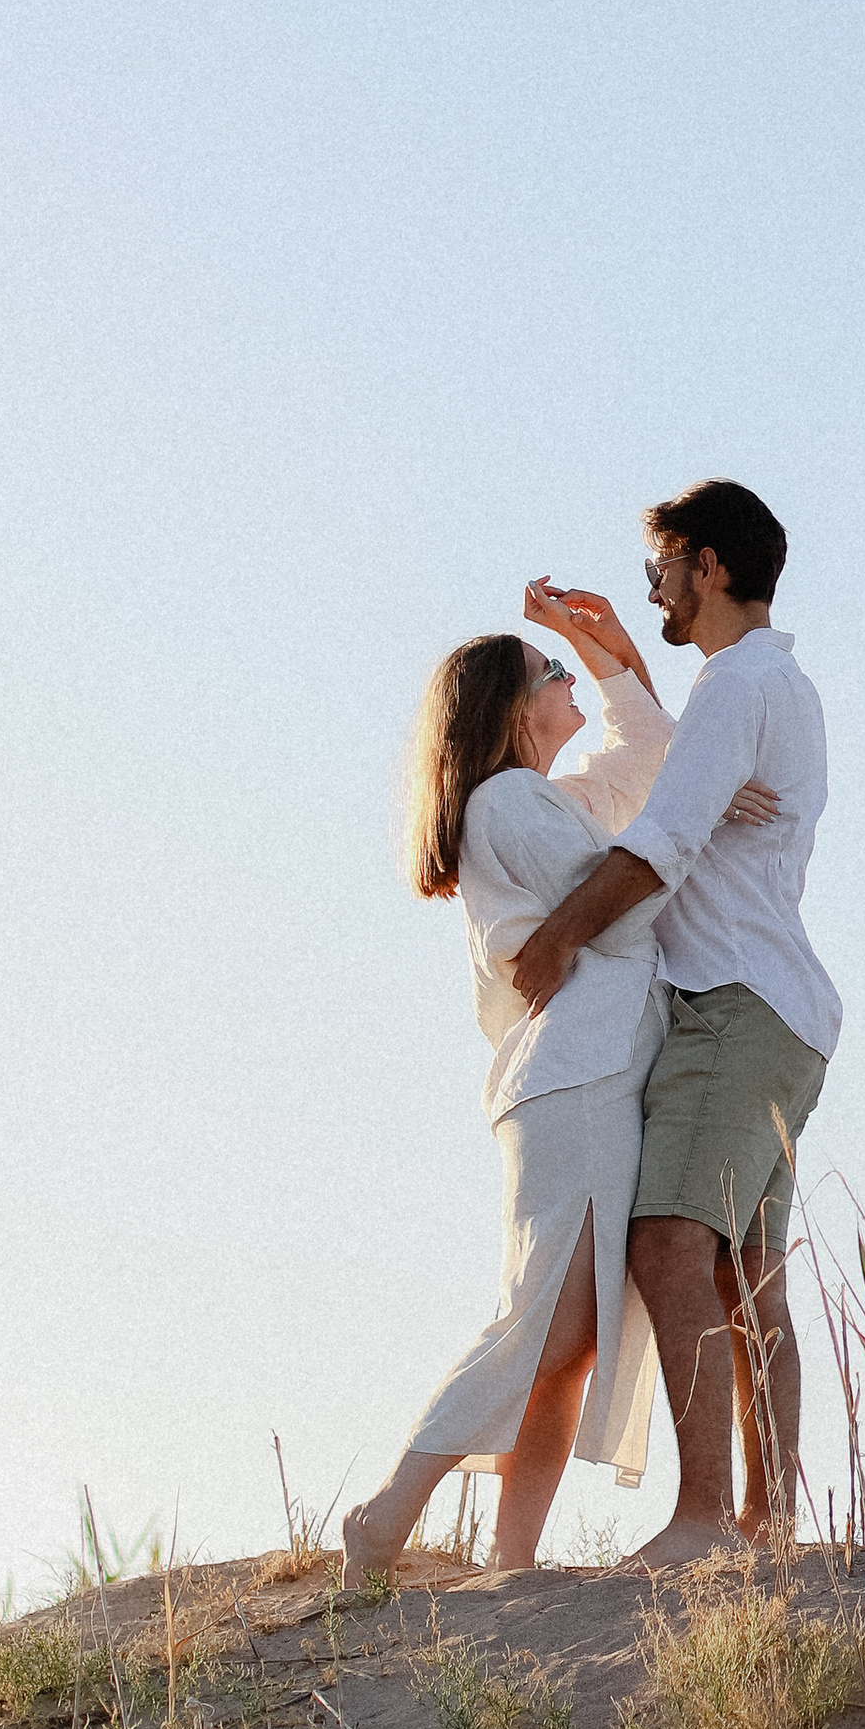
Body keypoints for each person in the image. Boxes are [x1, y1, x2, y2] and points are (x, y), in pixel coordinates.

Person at [338, 580, 779, 1585]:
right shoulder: (509, 803)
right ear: (508, 708)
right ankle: (386, 1514)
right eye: (553, 672)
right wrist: (703, 813)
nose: (566, 676)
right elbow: (618, 910)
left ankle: (510, 1559)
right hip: (574, 1082)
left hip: (589, 1075)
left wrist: (608, 652)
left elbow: (650, 759)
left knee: (565, 1339)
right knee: (546, 1319)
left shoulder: (551, 801)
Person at [511, 480, 839, 1570]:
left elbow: (662, 839)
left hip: (734, 1007)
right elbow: (679, 794)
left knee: (668, 1242)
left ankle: (704, 1520)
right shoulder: (762, 685)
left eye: (660, 566)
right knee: (750, 1275)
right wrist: (617, 665)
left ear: (706, 565)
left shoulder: (739, 685)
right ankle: (766, 1523)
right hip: (784, 1015)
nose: (650, 584)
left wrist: (555, 936)